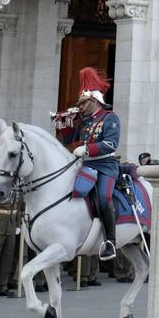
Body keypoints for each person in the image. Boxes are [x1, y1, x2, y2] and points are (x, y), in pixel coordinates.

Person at [66, 67, 121, 261]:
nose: (80, 107)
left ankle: (110, 242)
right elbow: (70, 142)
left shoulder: (110, 118)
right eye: (80, 103)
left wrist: (87, 149)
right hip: (85, 166)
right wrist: (66, 124)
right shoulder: (85, 121)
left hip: (105, 166)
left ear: (95, 100)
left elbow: (111, 144)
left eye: (83, 103)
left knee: (104, 198)